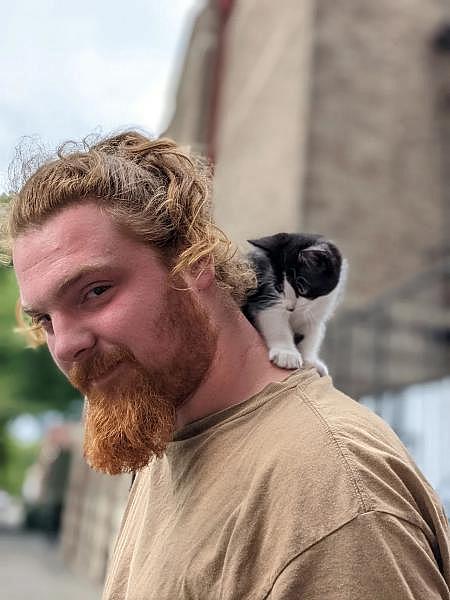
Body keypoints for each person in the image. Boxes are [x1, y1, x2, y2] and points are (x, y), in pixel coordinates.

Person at [2, 131, 449, 599]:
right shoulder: (173, 429)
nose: (66, 344)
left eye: (95, 291)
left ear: (193, 263)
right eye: (46, 321)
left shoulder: (328, 496)